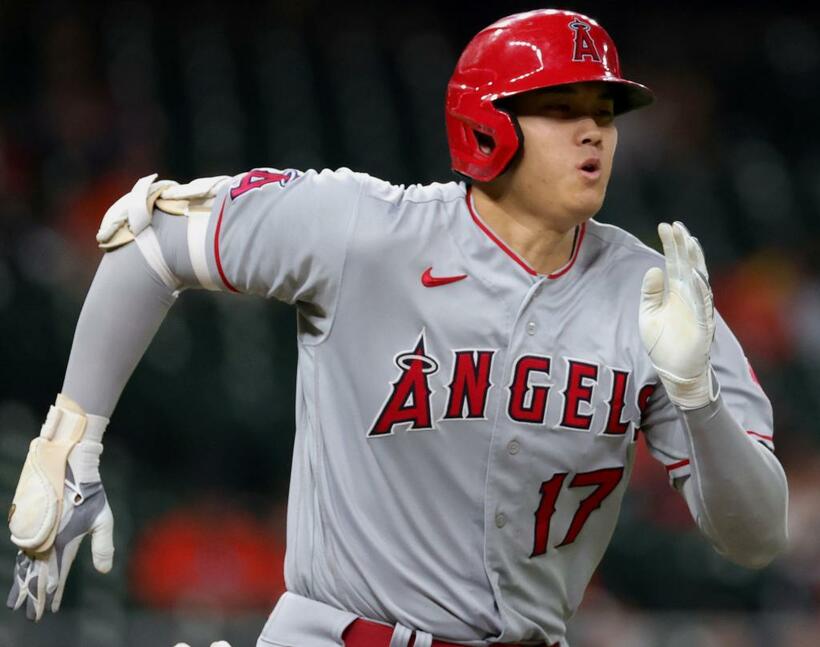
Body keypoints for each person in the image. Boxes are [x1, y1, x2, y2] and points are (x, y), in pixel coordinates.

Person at [7, 9, 788, 647]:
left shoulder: (660, 296)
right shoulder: (366, 230)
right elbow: (149, 241)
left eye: (603, 111)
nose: (594, 132)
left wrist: (698, 399)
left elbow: (756, 537)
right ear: (487, 127)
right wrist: (72, 435)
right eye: (560, 108)